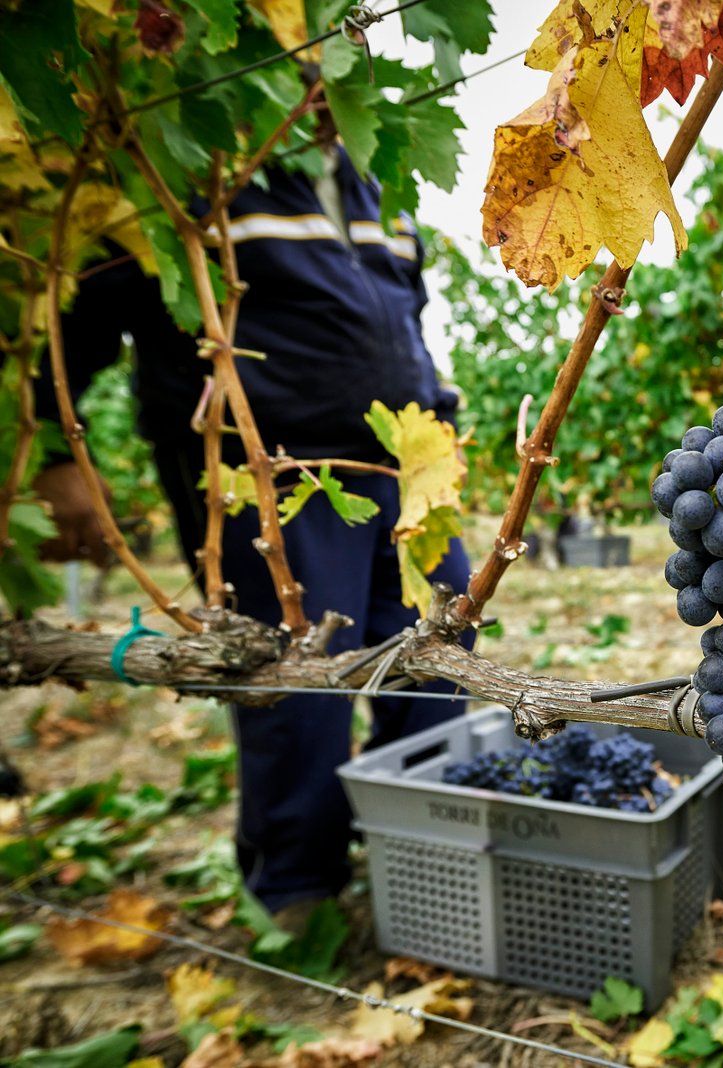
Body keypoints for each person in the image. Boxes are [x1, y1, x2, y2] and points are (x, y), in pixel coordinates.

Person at [33, 132, 472, 923]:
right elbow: (79, 306)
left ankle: (421, 852)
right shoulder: (197, 153)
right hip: (268, 470)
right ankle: (296, 888)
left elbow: (401, 320)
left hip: (401, 467)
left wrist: (437, 420)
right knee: (299, 682)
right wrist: (49, 438)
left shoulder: (373, 173)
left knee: (438, 658)